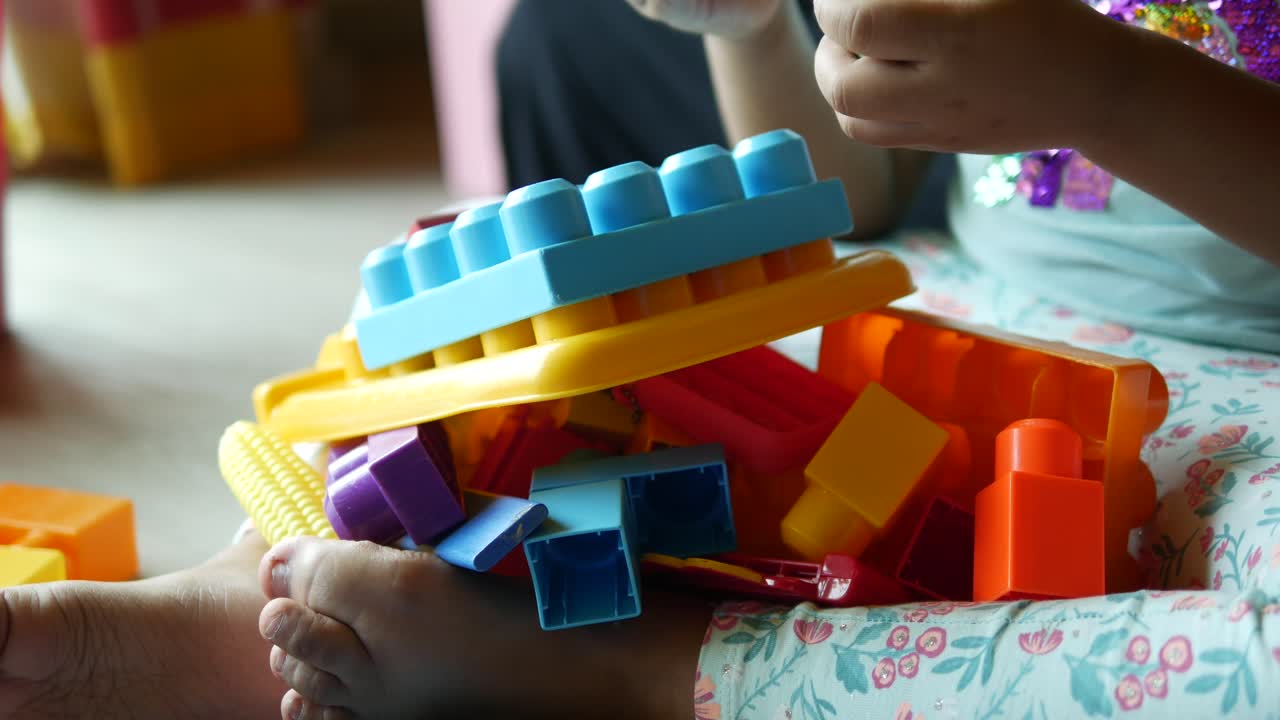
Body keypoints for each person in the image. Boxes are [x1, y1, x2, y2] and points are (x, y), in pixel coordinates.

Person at [2, 1, 1278, 719]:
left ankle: (624, 664)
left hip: (1237, 386)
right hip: (948, 291)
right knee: (520, 363)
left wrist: (1111, 93)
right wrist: (749, 30)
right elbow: (853, 194)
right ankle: (254, 592)